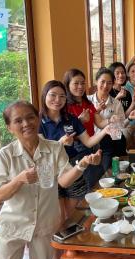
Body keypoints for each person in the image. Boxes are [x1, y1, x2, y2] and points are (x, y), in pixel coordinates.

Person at [0, 100, 102, 259]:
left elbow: (63, 181)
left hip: (45, 223)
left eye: (30, 117)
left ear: (38, 119)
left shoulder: (54, 148)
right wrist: (19, 180)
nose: (26, 124)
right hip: (13, 224)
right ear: (9, 128)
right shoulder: (5, 155)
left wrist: (82, 165)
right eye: (18, 121)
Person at [38, 80, 108, 220]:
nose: (57, 100)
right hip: (50, 173)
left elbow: (88, 142)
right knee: (58, 217)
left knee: (70, 216)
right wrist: (59, 144)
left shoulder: (71, 119)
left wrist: (105, 130)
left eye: (62, 96)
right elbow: (39, 152)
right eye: (53, 95)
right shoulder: (38, 122)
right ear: (44, 95)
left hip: (73, 168)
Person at [88, 68, 130, 173]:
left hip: (109, 142)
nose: (106, 86)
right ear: (96, 81)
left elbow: (121, 127)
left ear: (113, 84)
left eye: (109, 83)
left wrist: (117, 122)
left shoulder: (116, 103)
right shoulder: (88, 100)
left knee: (107, 171)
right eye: (102, 82)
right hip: (89, 141)